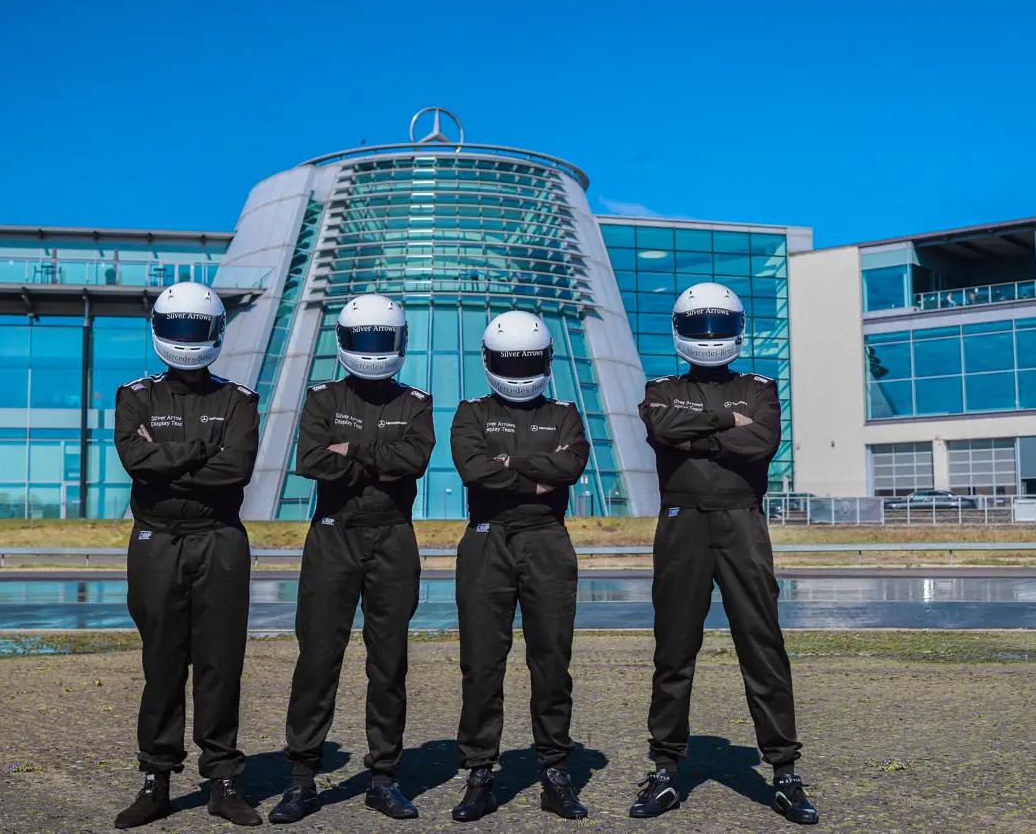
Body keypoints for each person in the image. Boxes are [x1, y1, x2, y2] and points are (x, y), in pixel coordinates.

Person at [628, 283, 818, 825]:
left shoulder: (759, 387)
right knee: (674, 651)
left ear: (735, 329)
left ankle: (784, 771)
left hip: (742, 523)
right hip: (681, 523)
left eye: (717, 328)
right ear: (680, 330)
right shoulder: (661, 386)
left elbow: (762, 444)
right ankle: (665, 769)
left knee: (762, 646)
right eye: (699, 328)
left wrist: (696, 437)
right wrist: (724, 426)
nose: (709, 339)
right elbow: (661, 429)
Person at [269, 294, 435, 824]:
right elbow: (310, 461)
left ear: (400, 343)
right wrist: (375, 460)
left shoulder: (416, 401)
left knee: (388, 665)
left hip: (393, 537)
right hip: (332, 536)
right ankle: (302, 780)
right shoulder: (322, 397)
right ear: (344, 341)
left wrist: (351, 453)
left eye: (381, 341)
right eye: (363, 340)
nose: (372, 350)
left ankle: (383, 778)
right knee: (318, 659)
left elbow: (415, 463)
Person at [111, 282, 262, 829]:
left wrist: (168, 458)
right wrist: (204, 450)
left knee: (221, 664)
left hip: (220, 539)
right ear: (157, 329)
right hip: (155, 541)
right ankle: (156, 780)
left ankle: (222, 780)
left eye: (195, 330)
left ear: (217, 333)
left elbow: (236, 470)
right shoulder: (135, 395)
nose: (185, 339)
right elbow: (136, 461)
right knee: (162, 663)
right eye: (176, 328)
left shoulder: (238, 399)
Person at [447, 311, 592, 823]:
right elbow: (473, 472)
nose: (520, 369)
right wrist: (536, 475)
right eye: (512, 361)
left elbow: (571, 466)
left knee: (551, 662)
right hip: (486, 539)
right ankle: (480, 772)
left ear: (546, 360)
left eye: (528, 360)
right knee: (482, 662)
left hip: (548, 540)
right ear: (489, 360)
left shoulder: (566, 413)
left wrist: (507, 465)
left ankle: (554, 770)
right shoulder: (471, 412)